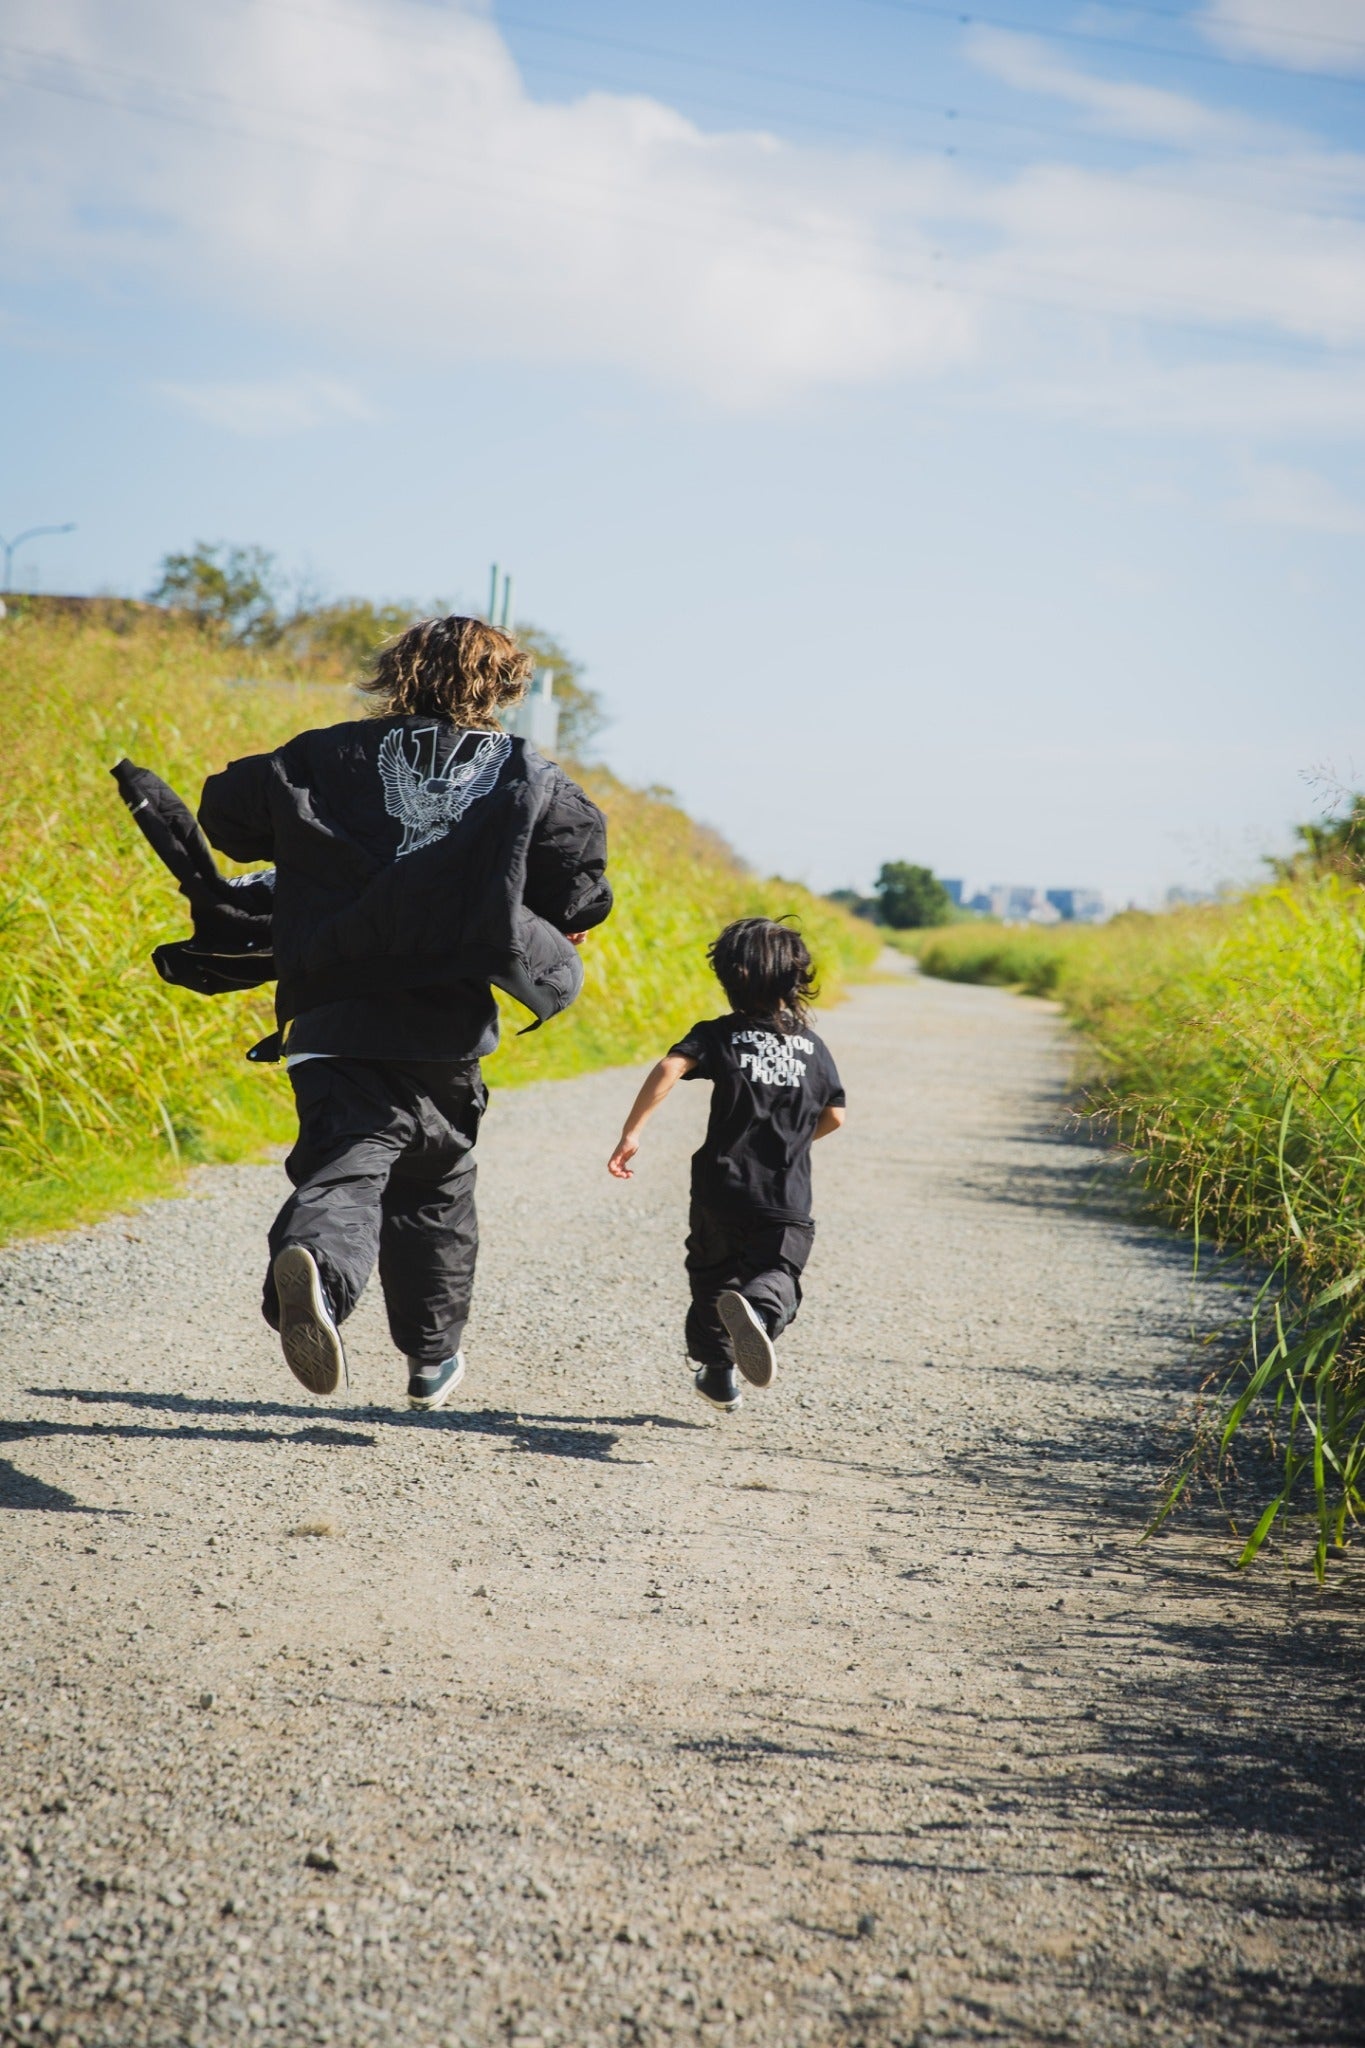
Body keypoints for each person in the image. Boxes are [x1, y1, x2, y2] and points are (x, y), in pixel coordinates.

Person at [198, 615, 612, 1409]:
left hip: (328, 1011)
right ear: (505, 684)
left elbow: (226, 814)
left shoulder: (318, 754)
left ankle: (318, 1261)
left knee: (347, 1160)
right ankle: (430, 1357)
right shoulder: (532, 775)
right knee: (436, 1184)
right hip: (445, 1027)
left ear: (396, 672)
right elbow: (579, 893)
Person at [607, 917, 845, 1412]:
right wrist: (797, 1142)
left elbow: (671, 1066)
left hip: (719, 1186)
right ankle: (758, 1316)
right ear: (796, 979)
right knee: (777, 1270)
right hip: (783, 1194)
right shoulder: (815, 1050)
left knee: (714, 1278)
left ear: (730, 979)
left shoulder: (719, 1034)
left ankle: (717, 1372)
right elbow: (836, 1116)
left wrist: (633, 1132)